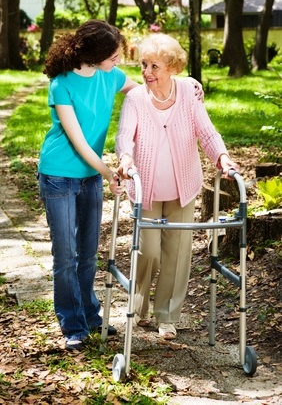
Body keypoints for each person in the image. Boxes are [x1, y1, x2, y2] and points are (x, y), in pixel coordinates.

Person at [116, 33, 239, 340]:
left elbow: (207, 132)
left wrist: (222, 157)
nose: (147, 72)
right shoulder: (136, 99)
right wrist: (126, 159)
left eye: (154, 66)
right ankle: (138, 306)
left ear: (171, 67)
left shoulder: (188, 93)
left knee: (177, 253)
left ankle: (167, 316)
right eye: (144, 65)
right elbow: (124, 137)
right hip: (146, 191)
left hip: (183, 186)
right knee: (149, 252)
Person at [38, 19, 138, 351]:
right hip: (59, 175)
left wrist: (184, 87)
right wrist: (109, 171)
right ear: (94, 55)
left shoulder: (110, 76)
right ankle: (73, 324)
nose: (118, 61)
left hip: (90, 177)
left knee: (88, 254)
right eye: (113, 55)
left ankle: (90, 315)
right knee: (66, 254)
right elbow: (78, 141)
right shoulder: (61, 83)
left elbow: (144, 90)